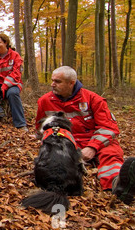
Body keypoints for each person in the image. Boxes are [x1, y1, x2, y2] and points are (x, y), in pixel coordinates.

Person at [36, 66, 135, 205]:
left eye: (58, 81)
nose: (52, 84)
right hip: (66, 142)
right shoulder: (44, 101)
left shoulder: (93, 99)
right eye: (52, 81)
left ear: (72, 82)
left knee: (110, 152)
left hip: (94, 140)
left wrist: (92, 147)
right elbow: (40, 128)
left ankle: (118, 184)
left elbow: (108, 127)